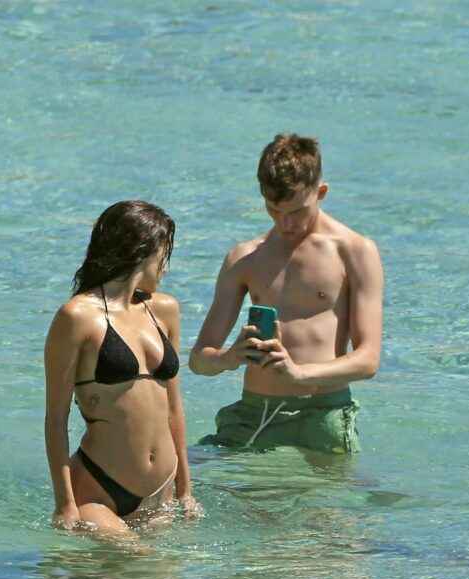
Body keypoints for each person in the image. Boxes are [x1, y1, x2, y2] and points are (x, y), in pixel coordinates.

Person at [190, 133, 384, 455]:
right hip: (255, 413)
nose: (285, 223)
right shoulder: (245, 258)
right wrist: (229, 358)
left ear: (321, 192)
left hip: (323, 413)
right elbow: (198, 360)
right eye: (274, 210)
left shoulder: (355, 252)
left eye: (296, 211)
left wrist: (299, 374)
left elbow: (368, 360)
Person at [44, 200, 198, 537]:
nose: (165, 267)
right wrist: (64, 504)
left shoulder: (165, 310)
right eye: (164, 254)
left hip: (161, 493)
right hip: (99, 490)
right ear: (144, 252)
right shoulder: (77, 317)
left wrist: (185, 489)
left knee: (157, 573)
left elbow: (173, 407)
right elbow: (56, 418)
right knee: (137, 559)